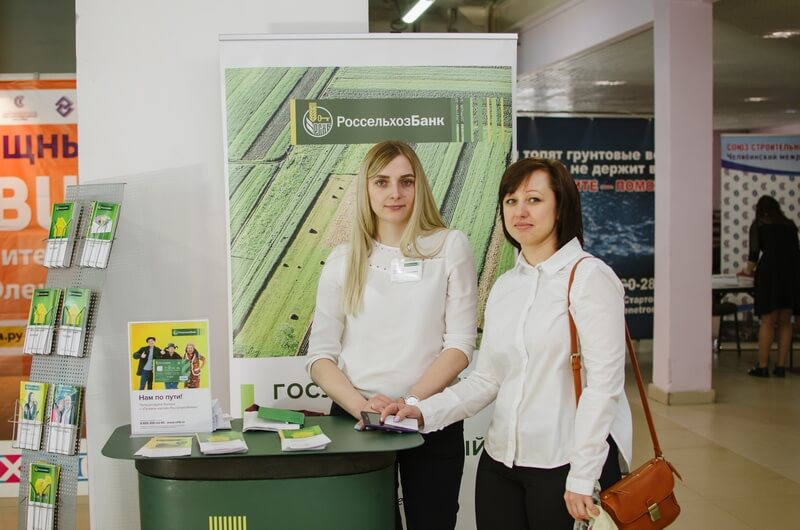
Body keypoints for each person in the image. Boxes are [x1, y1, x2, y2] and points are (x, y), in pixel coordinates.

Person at [382, 158, 632, 529]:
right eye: (511, 201)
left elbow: (604, 386)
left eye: (534, 200)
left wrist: (583, 475)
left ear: (561, 207)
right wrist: (421, 412)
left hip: (564, 466)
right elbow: (487, 380)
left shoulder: (589, 278)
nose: (520, 211)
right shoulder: (506, 286)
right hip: (500, 464)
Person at [306, 140, 478, 530]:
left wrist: (410, 401)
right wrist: (363, 409)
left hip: (430, 418)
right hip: (357, 421)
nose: (395, 193)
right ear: (366, 189)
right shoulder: (342, 260)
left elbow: (460, 345)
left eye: (406, 181)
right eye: (382, 182)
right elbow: (320, 358)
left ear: (420, 187)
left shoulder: (449, 247)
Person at [743, 195, 800, 377]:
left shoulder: (759, 224)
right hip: (791, 274)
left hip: (770, 274)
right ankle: (781, 366)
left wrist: (747, 270)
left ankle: (763, 366)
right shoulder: (790, 225)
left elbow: (753, 254)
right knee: (785, 322)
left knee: (768, 321)